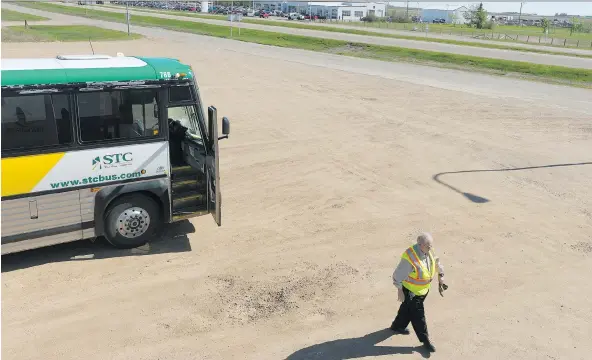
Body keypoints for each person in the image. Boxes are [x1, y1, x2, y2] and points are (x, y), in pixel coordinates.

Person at [390, 232, 447, 353]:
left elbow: (436, 262)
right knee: (418, 316)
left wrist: (441, 276)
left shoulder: (429, 250)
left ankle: (397, 326)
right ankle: (425, 341)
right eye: (427, 245)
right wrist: (400, 290)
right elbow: (397, 275)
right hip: (411, 292)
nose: (430, 247)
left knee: (406, 309)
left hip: (423, 290)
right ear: (419, 244)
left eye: (431, 245)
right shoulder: (410, 258)